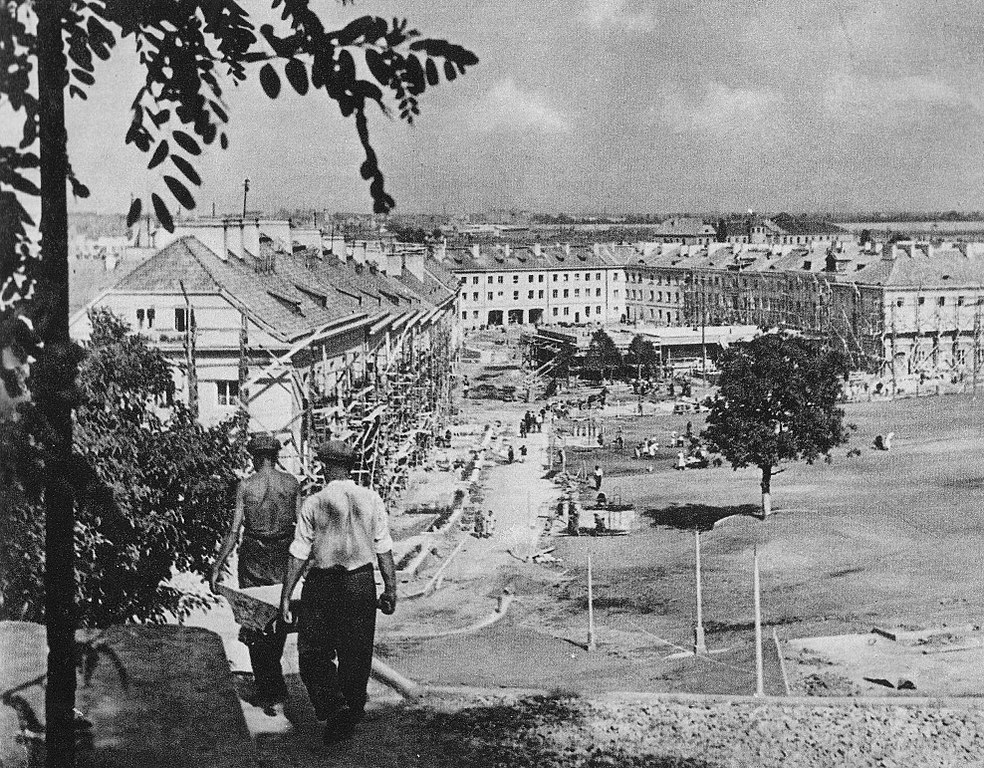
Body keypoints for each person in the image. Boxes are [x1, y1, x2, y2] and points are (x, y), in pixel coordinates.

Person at [279, 441, 397, 744]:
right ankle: (349, 713)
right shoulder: (372, 499)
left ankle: (334, 706)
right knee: (356, 654)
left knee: (312, 652)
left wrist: (285, 596)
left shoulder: (314, 502)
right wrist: (390, 589)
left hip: (323, 584)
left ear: (323, 466)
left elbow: (299, 553)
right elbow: (383, 549)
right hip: (360, 583)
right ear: (351, 466)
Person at [211, 433, 299, 714]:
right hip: (283, 556)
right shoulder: (292, 484)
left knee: (253, 619)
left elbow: (234, 531)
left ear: (254, 457)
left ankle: (268, 687)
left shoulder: (246, 486)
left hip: (253, 559)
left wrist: (217, 565)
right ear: (275, 456)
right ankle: (273, 684)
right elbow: (302, 529)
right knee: (279, 614)